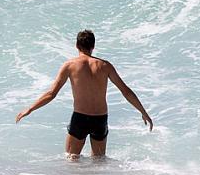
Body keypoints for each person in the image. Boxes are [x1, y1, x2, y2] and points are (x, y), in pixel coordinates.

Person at [15, 30, 153, 160]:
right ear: (93, 46)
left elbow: (51, 94)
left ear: (76, 45)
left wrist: (30, 109)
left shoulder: (69, 65)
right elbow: (126, 91)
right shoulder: (105, 66)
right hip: (100, 119)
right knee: (99, 162)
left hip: (80, 118)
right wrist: (143, 111)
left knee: (71, 160)